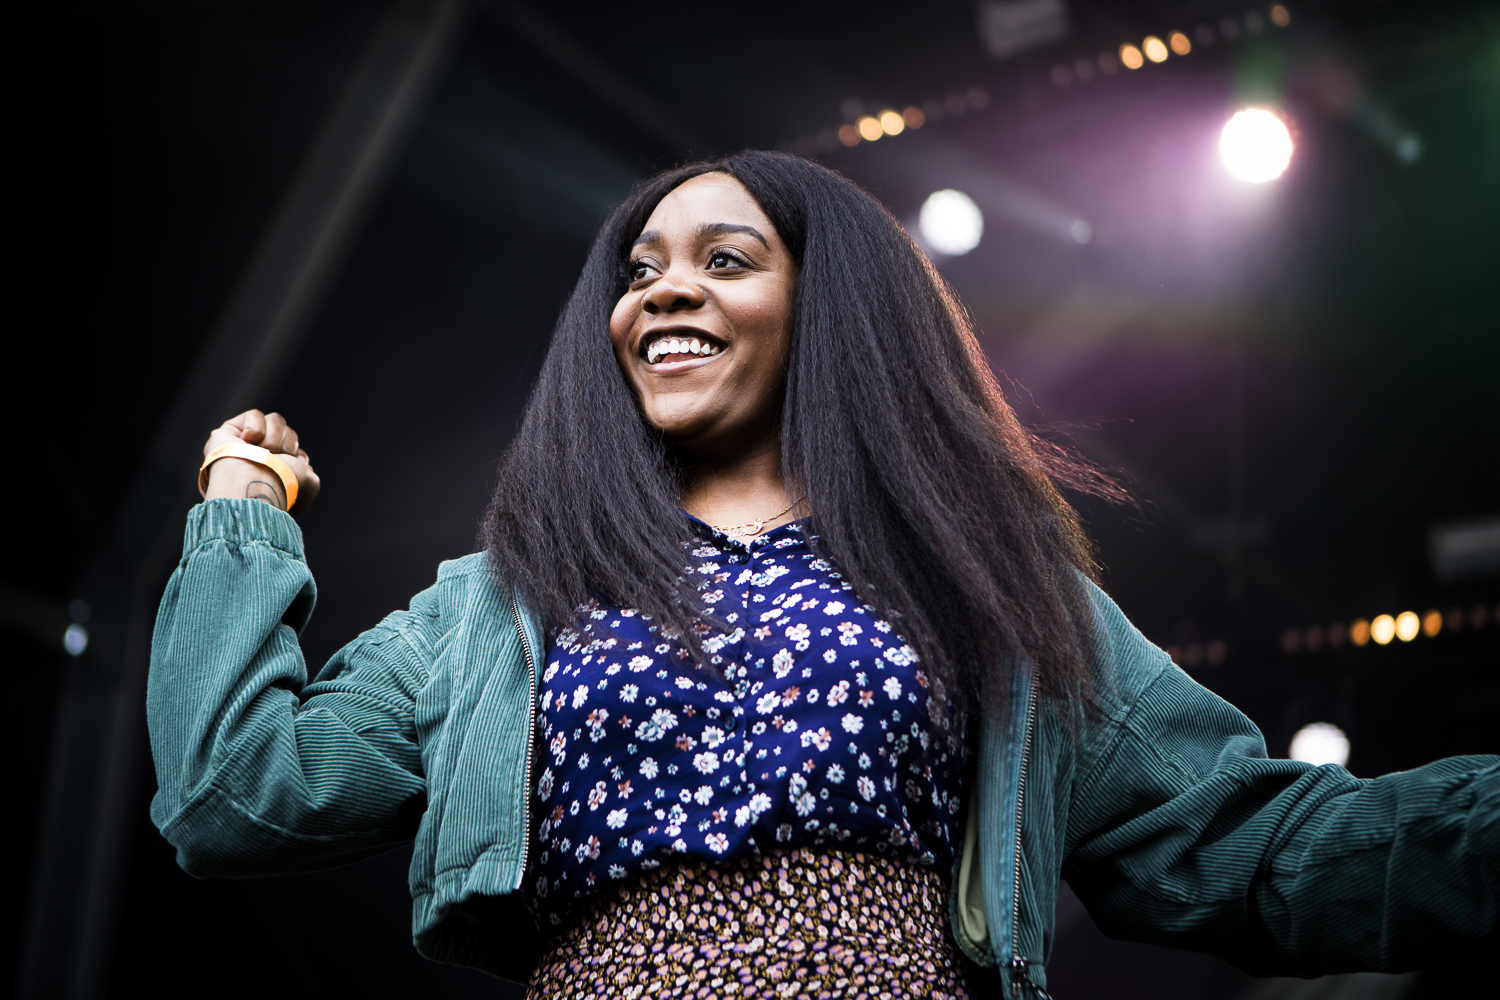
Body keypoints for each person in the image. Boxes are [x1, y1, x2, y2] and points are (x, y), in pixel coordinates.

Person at [147, 151, 1498, 999]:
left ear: (827, 307)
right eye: (638, 272)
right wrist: (242, 514)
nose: (659, 294)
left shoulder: (988, 585)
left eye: (724, 260)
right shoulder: (504, 601)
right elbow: (229, 796)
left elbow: (1256, 846)